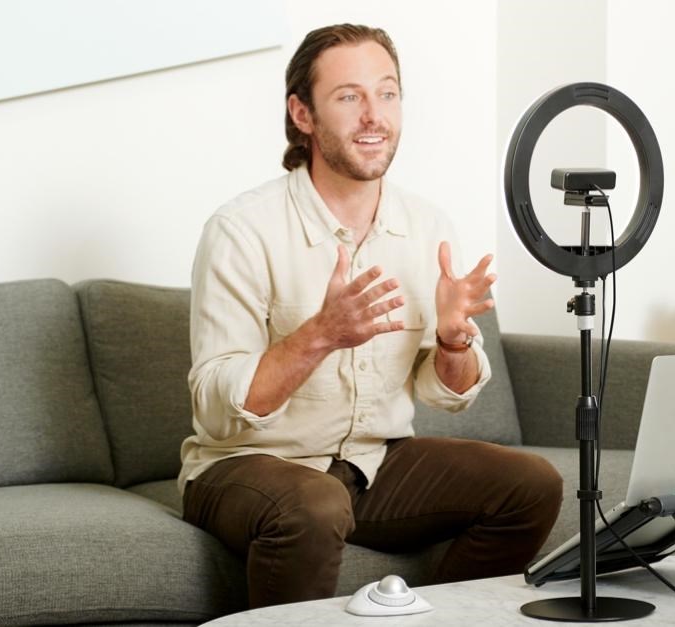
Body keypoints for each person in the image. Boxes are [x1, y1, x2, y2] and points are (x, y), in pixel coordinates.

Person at [177, 24, 563, 609]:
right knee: (315, 502)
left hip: (373, 464)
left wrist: (456, 344)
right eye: (349, 97)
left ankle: (429, 619)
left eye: (386, 93)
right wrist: (320, 334)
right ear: (302, 114)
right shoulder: (241, 231)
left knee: (531, 485)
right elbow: (214, 408)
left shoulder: (427, 227)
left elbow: (449, 393)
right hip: (244, 465)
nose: (374, 116)